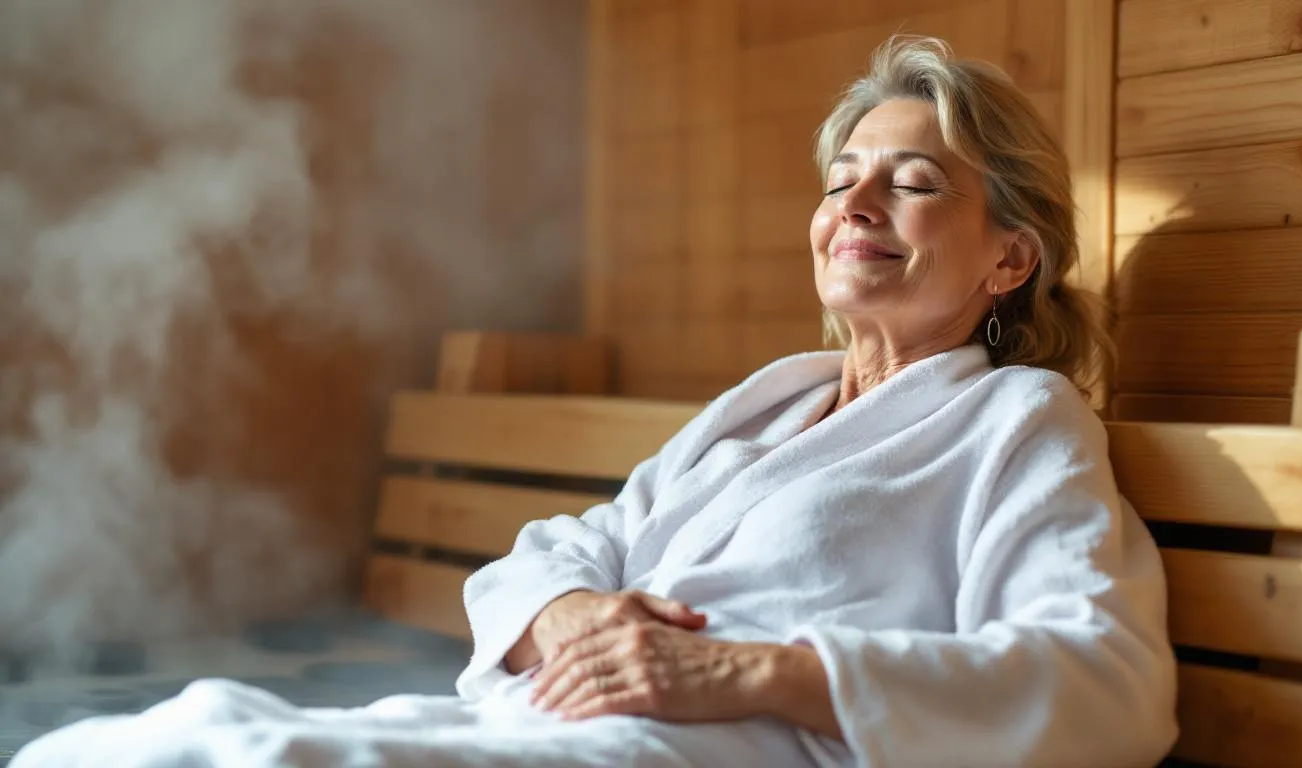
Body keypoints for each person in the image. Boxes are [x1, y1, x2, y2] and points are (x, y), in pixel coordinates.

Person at [14, 34, 1178, 768]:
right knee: (178, 729)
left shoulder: (1016, 422)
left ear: (1008, 261)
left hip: (703, 749)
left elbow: (1106, 684)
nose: (856, 202)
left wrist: (760, 673)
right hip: (561, 715)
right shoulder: (771, 407)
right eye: (840, 181)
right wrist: (566, 617)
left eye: (914, 183)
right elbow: (567, 547)